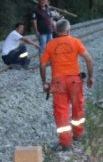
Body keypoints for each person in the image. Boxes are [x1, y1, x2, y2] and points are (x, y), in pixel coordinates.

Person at [40, 19, 94, 150]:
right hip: (74, 81)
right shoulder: (75, 42)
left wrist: (44, 81)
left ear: (56, 31)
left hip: (58, 82)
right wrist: (90, 77)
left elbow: (42, 65)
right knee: (78, 106)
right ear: (68, 31)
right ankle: (78, 133)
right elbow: (89, 59)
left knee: (61, 111)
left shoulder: (50, 44)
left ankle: (66, 143)